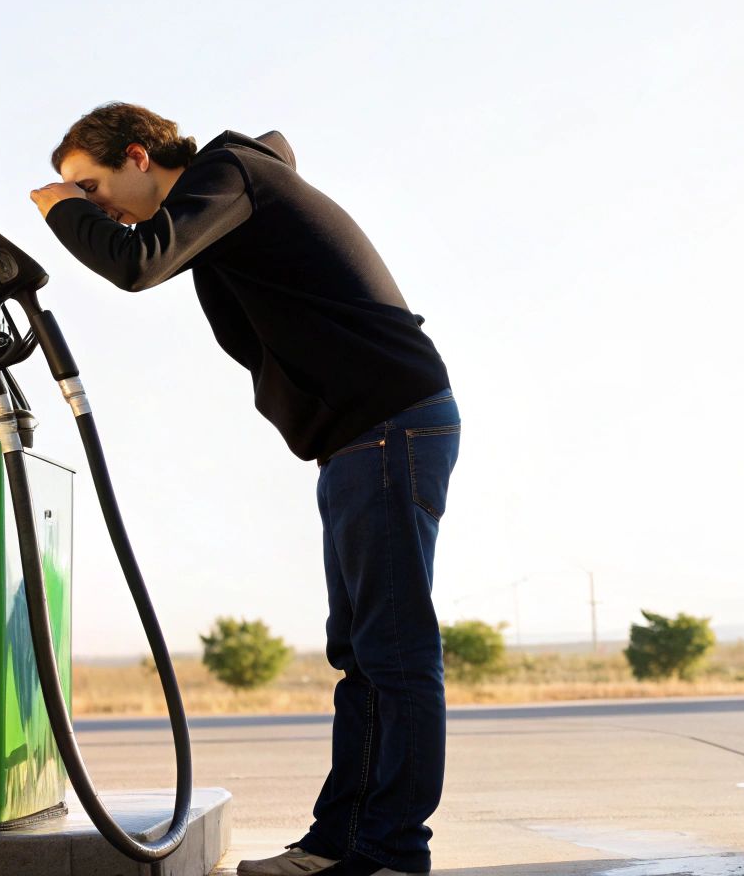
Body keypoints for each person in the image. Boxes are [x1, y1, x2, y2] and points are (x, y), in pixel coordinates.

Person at [30, 102, 456, 876]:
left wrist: (57, 212)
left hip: (391, 421)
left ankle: (391, 851)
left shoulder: (231, 176)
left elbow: (137, 264)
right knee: (360, 653)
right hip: (361, 434)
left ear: (136, 156)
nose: (93, 207)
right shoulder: (228, 206)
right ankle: (343, 843)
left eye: (90, 187)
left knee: (393, 652)